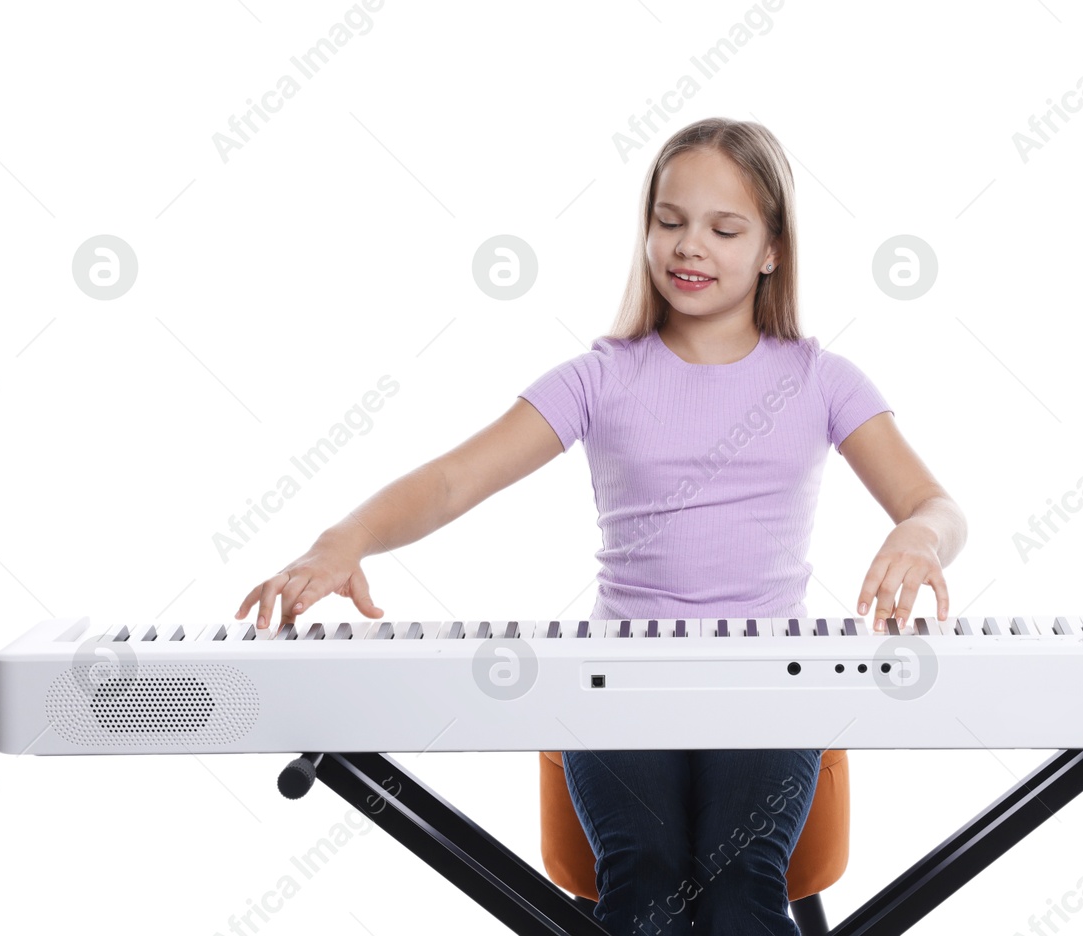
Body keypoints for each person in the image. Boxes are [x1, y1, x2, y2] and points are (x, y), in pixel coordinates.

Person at [234, 117, 966, 935]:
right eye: (669, 220)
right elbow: (451, 481)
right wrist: (343, 542)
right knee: (644, 884)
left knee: (739, 890)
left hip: (769, 683)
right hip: (615, 680)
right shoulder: (601, 377)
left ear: (772, 250)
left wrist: (919, 537)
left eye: (724, 229)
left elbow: (935, 505)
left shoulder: (821, 379)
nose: (690, 246)